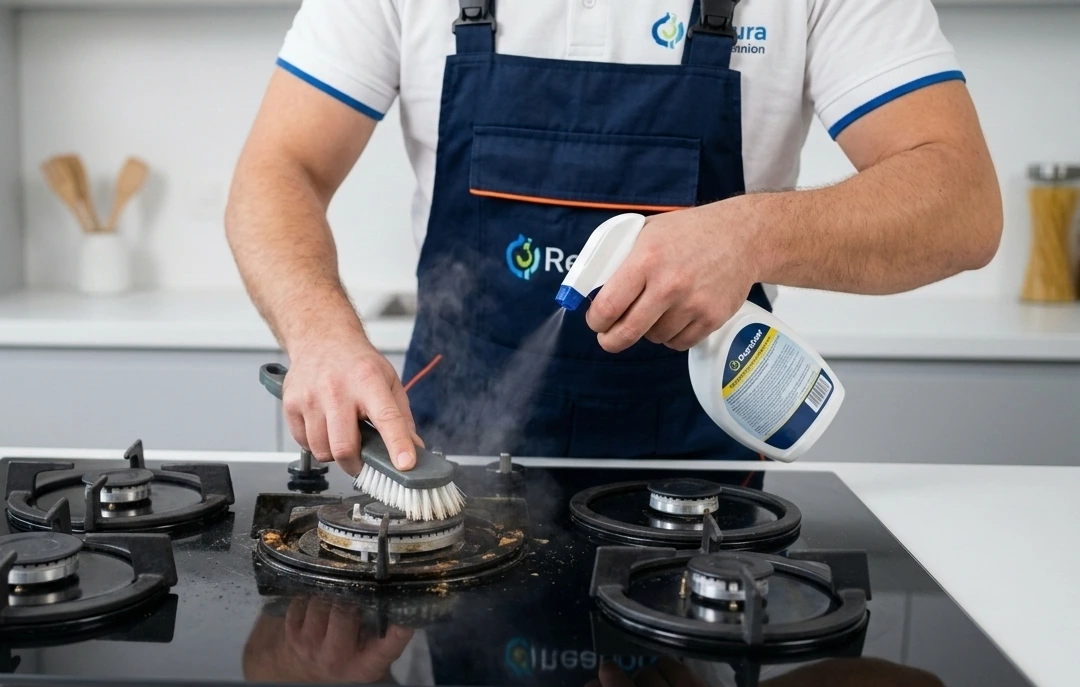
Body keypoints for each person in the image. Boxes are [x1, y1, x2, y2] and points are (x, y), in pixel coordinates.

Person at [227, 0, 1000, 471]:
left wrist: (745, 235)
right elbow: (276, 169)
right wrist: (320, 333)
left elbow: (962, 203)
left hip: (699, 490)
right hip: (448, 471)